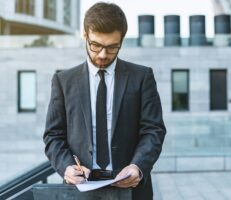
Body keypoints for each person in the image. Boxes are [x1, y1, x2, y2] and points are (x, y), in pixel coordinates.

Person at [43, 2, 166, 200]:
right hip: (81, 190)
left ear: (122, 40)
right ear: (85, 35)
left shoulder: (142, 77)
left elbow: (153, 130)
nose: (102, 54)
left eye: (111, 47)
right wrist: (66, 167)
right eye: (96, 45)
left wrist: (138, 166)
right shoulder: (63, 81)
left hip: (131, 190)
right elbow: (53, 135)